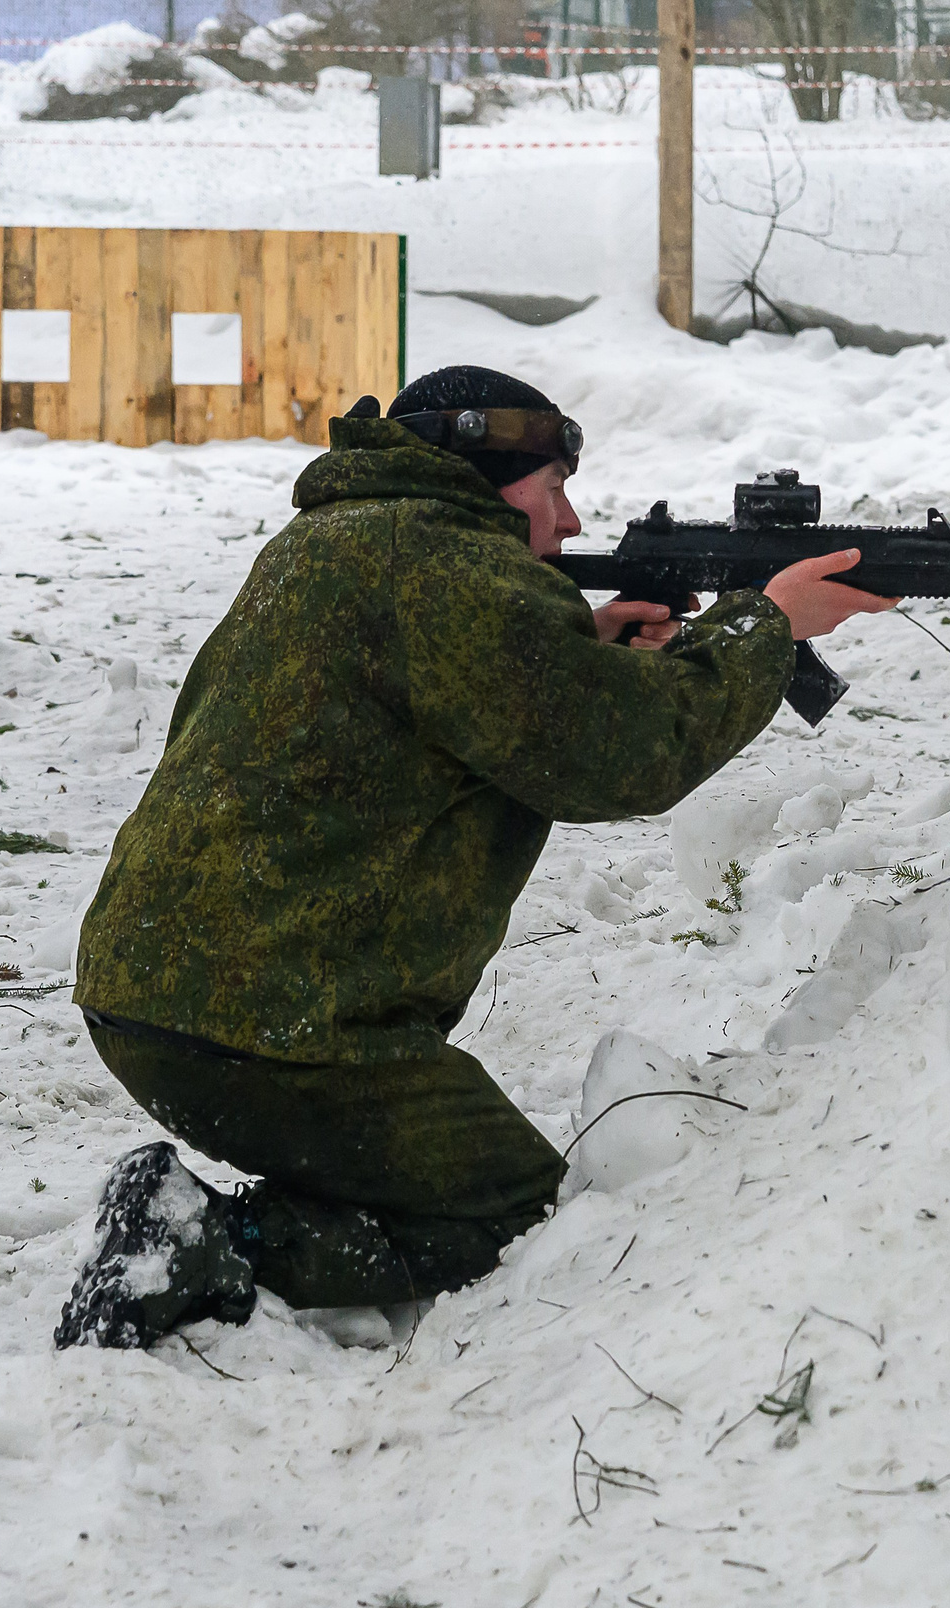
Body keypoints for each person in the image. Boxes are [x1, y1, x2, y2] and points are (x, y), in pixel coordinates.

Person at [52, 366, 895, 1350]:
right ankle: (198, 1243)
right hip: (274, 1025)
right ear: (488, 482)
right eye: (550, 489)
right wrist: (769, 621)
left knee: (454, 1189)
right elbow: (622, 758)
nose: (572, 519)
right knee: (510, 1219)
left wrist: (572, 643)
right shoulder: (448, 565)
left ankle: (222, 1216)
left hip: (173, 989)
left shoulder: (358, 535)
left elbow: (414, 692)